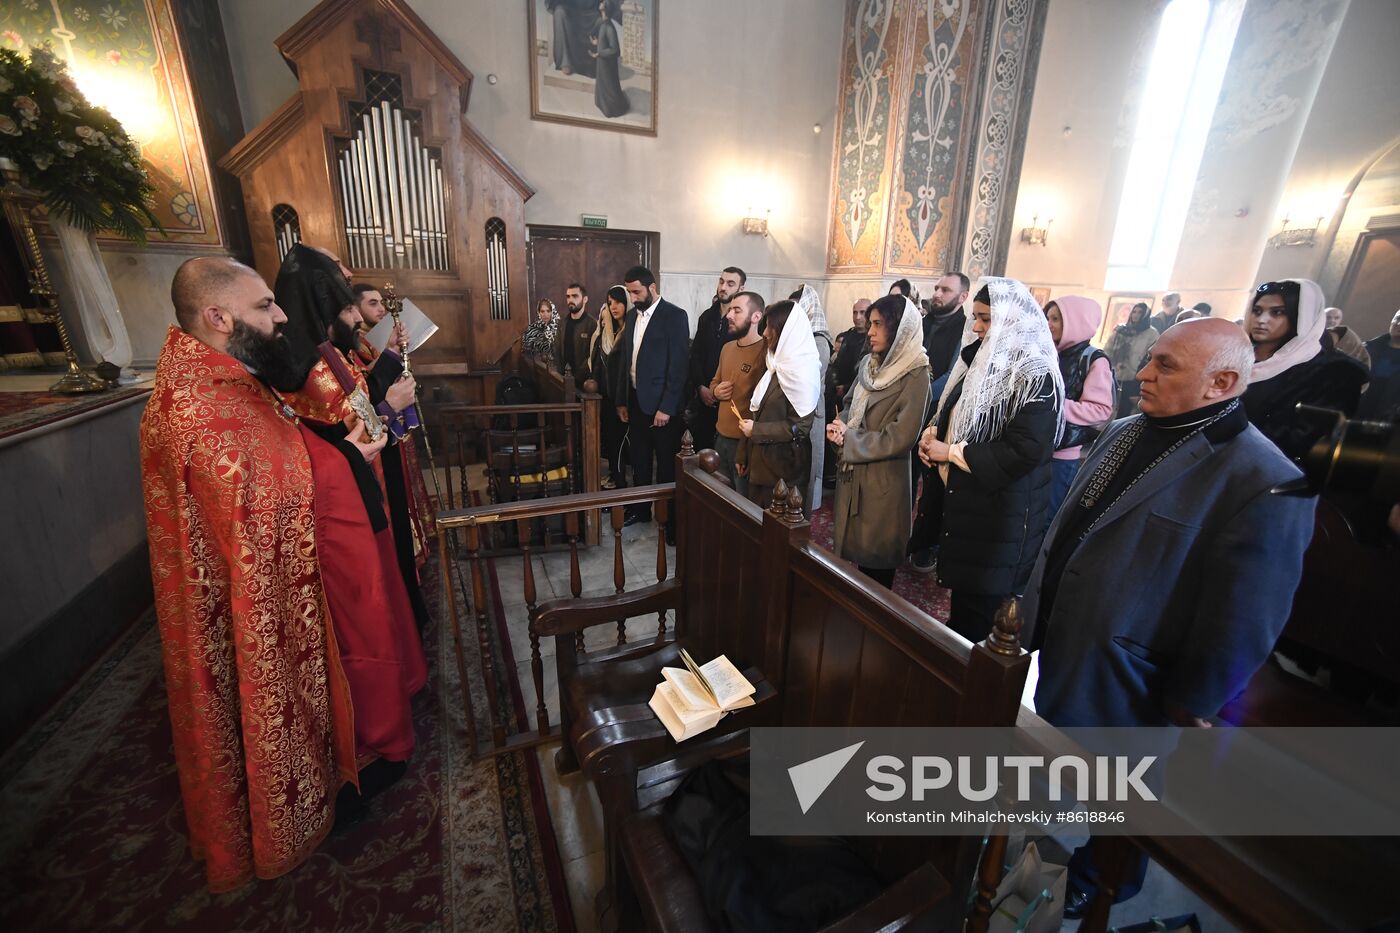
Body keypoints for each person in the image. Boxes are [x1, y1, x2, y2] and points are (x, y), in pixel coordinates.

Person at [1023, 318, 1315, 916]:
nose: (1142, 374)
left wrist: (1194, 700)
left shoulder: (1265, 479)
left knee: (1128, 792)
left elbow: (1247, 614)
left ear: (1222, 382)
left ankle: (1110, 876)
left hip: (1140, 673)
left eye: (1165, 366)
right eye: (1149, 359)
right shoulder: (1126, 431)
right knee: (1074, 763)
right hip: (1071, 639)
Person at [141, 257, 358, 891]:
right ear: (218, 317)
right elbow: (265, 507)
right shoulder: (201, 411)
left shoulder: (226, 380)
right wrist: (346, 466)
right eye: (265, 305)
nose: (282, 314)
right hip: (248, 615)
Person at [273, 244, 427, 774]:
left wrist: (385, 404)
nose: (353, 318)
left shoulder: (331, 352)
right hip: (345, 503)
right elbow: (360, 433)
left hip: (366, 490)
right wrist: (393, 406)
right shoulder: (313, 368)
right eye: (343, 311)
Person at [909, 278, 1063, 642]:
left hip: (1000, 516)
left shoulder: (1034, 374)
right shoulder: (978, 359)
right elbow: (953, 410)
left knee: (982, 615)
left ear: (1013, 320)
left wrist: (951, 452)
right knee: (965, 608)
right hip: (969, 506)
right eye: (975, 319)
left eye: (986, 319)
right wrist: (933, 435)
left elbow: (1026, 449)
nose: (976, 327)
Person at [829, 294, 930, 587]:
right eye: (870, 323)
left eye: (878, 324)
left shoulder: (916, 374)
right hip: (854, 472)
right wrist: (841, 423)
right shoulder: (869, 364)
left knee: (875, 574)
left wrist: (851, 438)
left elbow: (899, 438)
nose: (869, 330)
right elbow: (850, 403)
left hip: (883, 482)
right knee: (852, 569)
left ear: (899, 328)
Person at [348, 283, 432, 633]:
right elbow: (366, 396)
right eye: (371, 303)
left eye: (381, 303)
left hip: (387, 435)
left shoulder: (364, 345)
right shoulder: (354, 350)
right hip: (371, 448)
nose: (379, 309)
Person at [1242, 279, 1368, 461]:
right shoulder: (1234, 356)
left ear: (1302, 316)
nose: (1261, 320)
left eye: (1277, 312)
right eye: (1257, 311)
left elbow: (1301, 438)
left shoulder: (1335, 373)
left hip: (1267, 469)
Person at [618, 265, 689, 543]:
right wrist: (624, 400)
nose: (632, 298)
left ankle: (671, 522)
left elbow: (679, 366)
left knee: (667, 468)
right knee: (640, 462)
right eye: (629, 292)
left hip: (662, 407)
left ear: (652, 287)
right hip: (636, 401)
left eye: (636, 292)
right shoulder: (633, 316)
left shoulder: (674, 316)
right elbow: (629, 361)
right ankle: (641, 510)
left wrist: (667, 407)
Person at [908, 273, 971, 573]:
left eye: (946, 290)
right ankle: (903, 534)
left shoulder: (966, 329)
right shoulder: (924, 322)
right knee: (906, 474)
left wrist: (922, 395)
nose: (937, 294)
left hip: (938, 412)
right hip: (911, 409)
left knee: (933, 484)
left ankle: (927, 545)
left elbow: (953, 373)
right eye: (936, 288)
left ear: (962, 297)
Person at [737, 297, 820, 511]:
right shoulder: (773, 362)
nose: (764, 333)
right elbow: (756, 410)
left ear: (785, 331)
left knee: (777, 535)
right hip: (759, 464)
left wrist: (757, 431)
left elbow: (799, 426)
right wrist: (743, 452)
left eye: (771, 328)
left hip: (784, 469)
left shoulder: (802, 371)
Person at [1044, 296, 1114, 521]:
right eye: (1048, 317)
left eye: (1056, 318)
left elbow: (1100, 409)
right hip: (1037, 445)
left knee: (1048, 516)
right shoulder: (1049, 352)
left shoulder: (1094, 360)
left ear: (1076, 321)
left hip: (1062, 453)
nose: (1048, 324)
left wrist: (1051, 405)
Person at [710, 291, 767, 494]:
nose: (729, 316)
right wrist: (716, 391)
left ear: (756, 317)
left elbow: (763, 406)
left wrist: (746, 448)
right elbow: (714, 383)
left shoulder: (766, 351)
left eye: (737, 310)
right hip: (720, 437)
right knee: (720, 499)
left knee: (742, 504)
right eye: (730, 310)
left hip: (744, 443)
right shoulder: (727, 348)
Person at [787, 285, 834, 510]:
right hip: (791, 412)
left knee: (807, 467)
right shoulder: (795, 338)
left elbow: (806, 377)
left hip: (810, 413)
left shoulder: (819, 341)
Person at [687, 267, 745, 451]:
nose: (723, 287)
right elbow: (695, 355)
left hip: (731, 399)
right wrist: (702, 387)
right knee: (702, 451)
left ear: (740, 289)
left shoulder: (744, 322)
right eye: (721, 282)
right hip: (705, 398)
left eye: (730, 284)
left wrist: (721, 389)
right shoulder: (706, 317)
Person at [589, 285, 630, 489]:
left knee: (624, 444)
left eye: (618, 302)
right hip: (607, 395)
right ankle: (616, 478)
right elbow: (597, 363)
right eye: (610, 302)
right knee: (612, 443)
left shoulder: (632, 330)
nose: (613, 307)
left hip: (626, 397)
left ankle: (623, 483)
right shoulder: (606, 331)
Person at [1105, 302, 1159, 417]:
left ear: (1145, 315)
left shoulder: (1151, 334)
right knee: (1109, 406)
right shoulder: (1120, 331)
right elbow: (1108, 351)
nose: (1136, 315)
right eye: (1134, 312)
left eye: (1140, 312)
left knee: (1125, 411)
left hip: (1134, 378)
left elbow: (1150, 358)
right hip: (1115, 375)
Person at [1358, 309, 1400, 421]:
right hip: (1356, 411)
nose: (1399, 324)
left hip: (1390, 421)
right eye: (1398, 319)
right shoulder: (1367, 349)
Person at [589, 0, 629, 118]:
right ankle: (602, 105)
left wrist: (599, 53)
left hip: (607, 64)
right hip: (602, 62)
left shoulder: (609, 27)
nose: (600, 3)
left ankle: (612, 109)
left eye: (603, 2)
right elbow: (604, 42)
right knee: (602, 85)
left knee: (609, 87)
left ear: (606, 8)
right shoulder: (603, 23)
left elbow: (615, 50)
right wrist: (597, 42)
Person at [553, 282, 596, 379]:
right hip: (562, 379)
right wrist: (560, 376)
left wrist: (576, 379)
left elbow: (592, 356)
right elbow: (557, 350)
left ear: (585, 299)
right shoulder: (562, 323)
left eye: (575, 296)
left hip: (584, 383)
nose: (570, 300)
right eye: (568, 296)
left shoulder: (592, 325)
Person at [546, 0, 597, 77]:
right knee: (560, 12)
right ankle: (565, 61)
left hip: (589, 12)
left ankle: (589, 65)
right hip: (570, 9)